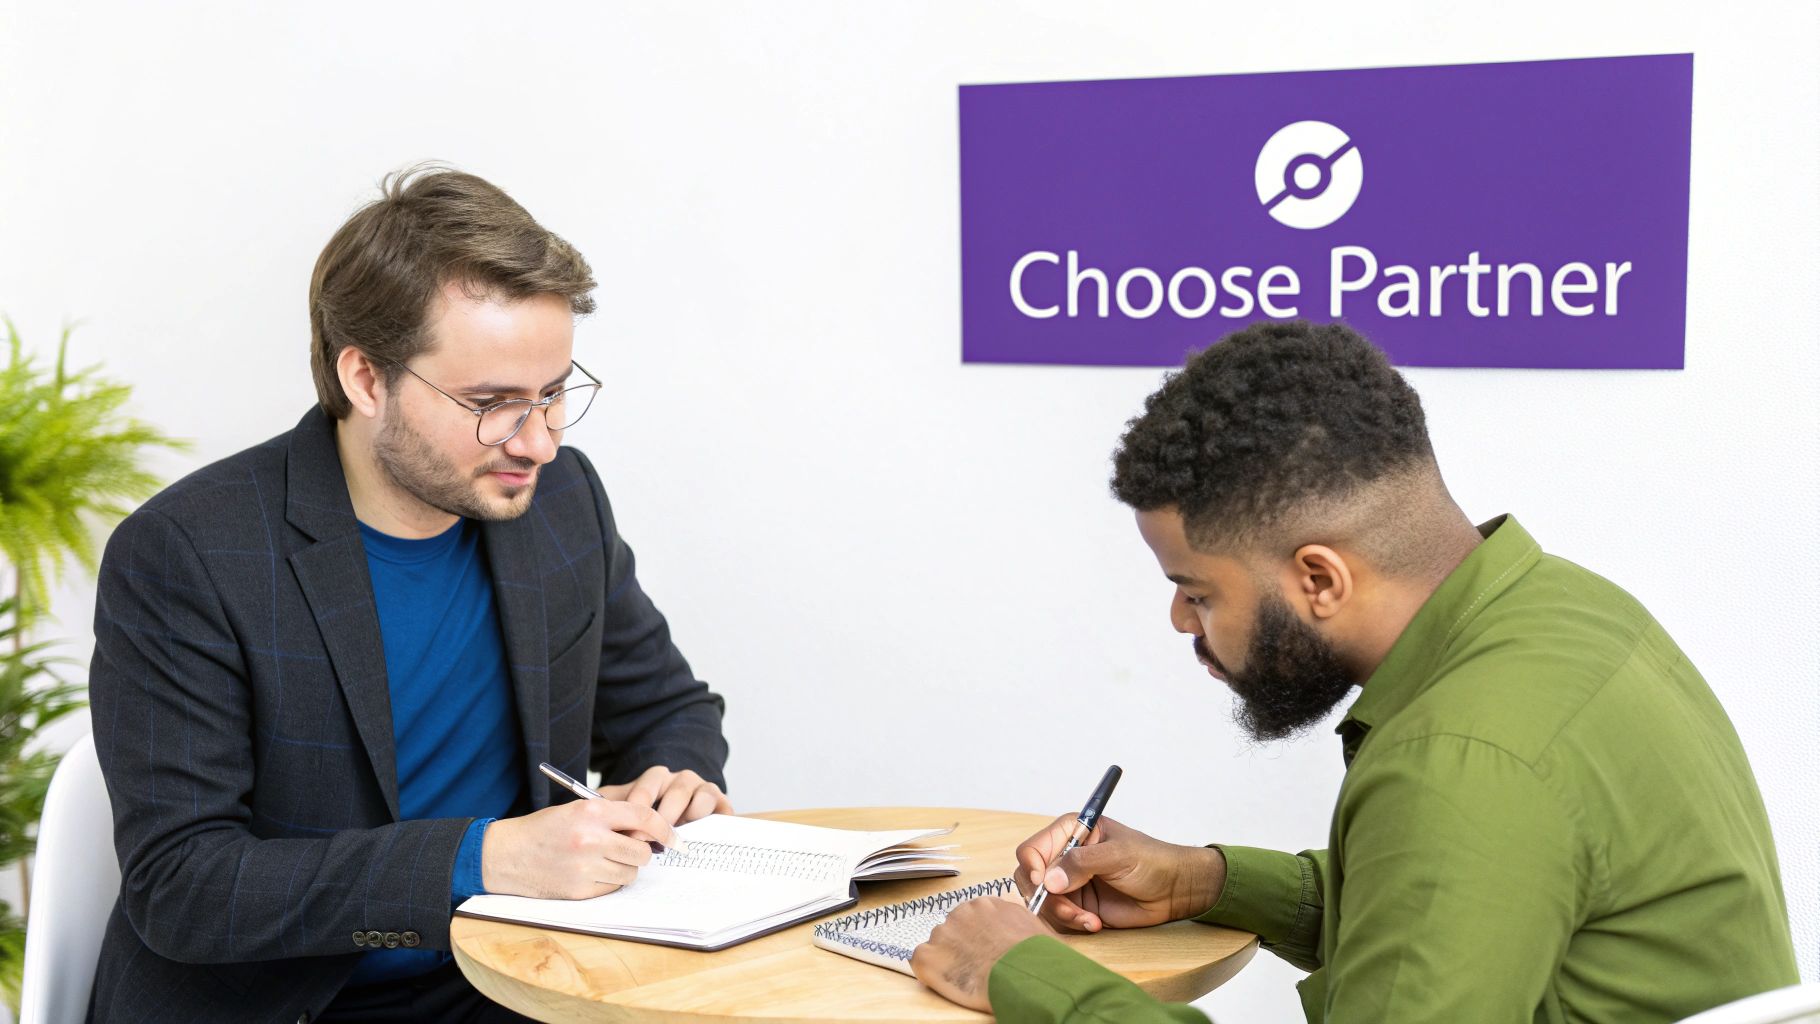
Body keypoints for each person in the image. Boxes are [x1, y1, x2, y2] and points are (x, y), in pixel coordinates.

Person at [912, 321, 1798, 1022]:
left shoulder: (1461, 762)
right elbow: (1447, 916)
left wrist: (1025, 975)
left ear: (1320, 578)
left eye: (1196, 591)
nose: (1180, 620)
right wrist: (1211, 881)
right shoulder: (1562, 610)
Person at [86, 166, 732, 1023]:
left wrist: (671, 781)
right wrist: (479, 861)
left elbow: (665, 707)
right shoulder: (191, 554)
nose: (536, 441)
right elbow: (186, 886)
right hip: (290, 1005)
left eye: (552, 394)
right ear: (364, 379)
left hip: (513, 982)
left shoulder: (561, 502)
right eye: (491, 402)